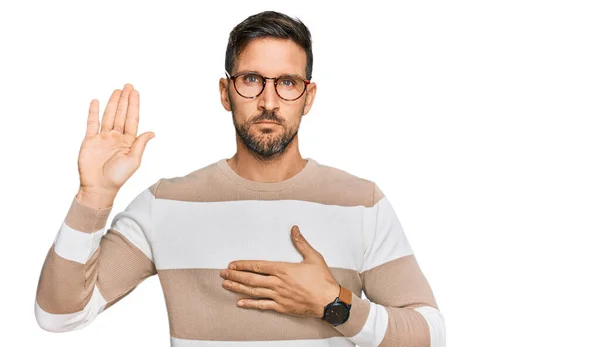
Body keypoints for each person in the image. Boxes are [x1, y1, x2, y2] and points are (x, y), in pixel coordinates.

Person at [34, 10, 445, 347]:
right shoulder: (166, 205)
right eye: (251, 80)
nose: (269, 101)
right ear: (224, 91)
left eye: (287, 83)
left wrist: (332, 303)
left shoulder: (361, 203)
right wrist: (94, 196)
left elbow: (430, 334)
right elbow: (59, 316)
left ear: (309, 96)